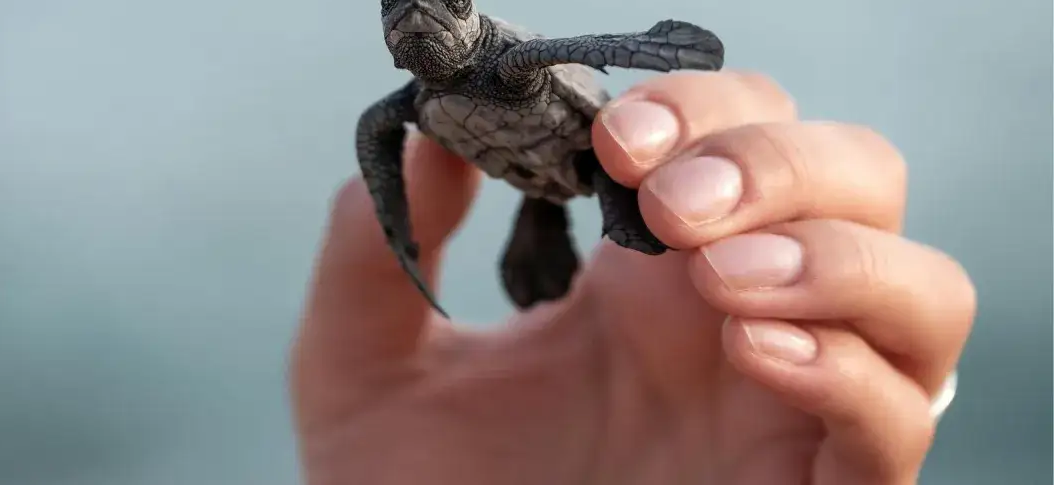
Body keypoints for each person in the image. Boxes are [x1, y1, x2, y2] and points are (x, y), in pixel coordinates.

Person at [289, 70, 976, 485]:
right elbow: (381, 160)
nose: (415, 18)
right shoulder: (401, 111)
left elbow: (592, 83)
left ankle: (656, 212)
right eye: (396, 7)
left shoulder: (510, 63)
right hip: (534, 180)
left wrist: (649, 57)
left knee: (640, 173)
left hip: (585, 156)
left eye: (444, 3)